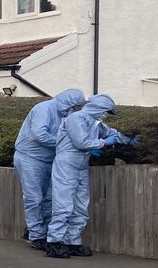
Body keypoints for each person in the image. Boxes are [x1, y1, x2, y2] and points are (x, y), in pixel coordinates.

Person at [45, 94, 139, 259]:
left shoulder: (96, 123)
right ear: (99, 108)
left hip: (81, 165)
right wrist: (104, 142)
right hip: (66, 164)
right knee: (64, 203)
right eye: (105, 111)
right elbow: (81, 142)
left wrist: (129, 140)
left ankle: (72, 241)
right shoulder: (76, 118)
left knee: (81, 205)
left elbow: (112, 133)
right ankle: (55, 242)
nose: (105, 115)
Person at [13, 89, 86, 250]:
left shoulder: (67, 115)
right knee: (34, 197)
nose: (76, 109)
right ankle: (36, 234)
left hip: (52, 158)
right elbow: (39, 134)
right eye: (75, 106)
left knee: (49, 198)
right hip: (30, 157)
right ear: (68, 103)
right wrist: (66, 144)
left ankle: (43, 232)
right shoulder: (44, 108)